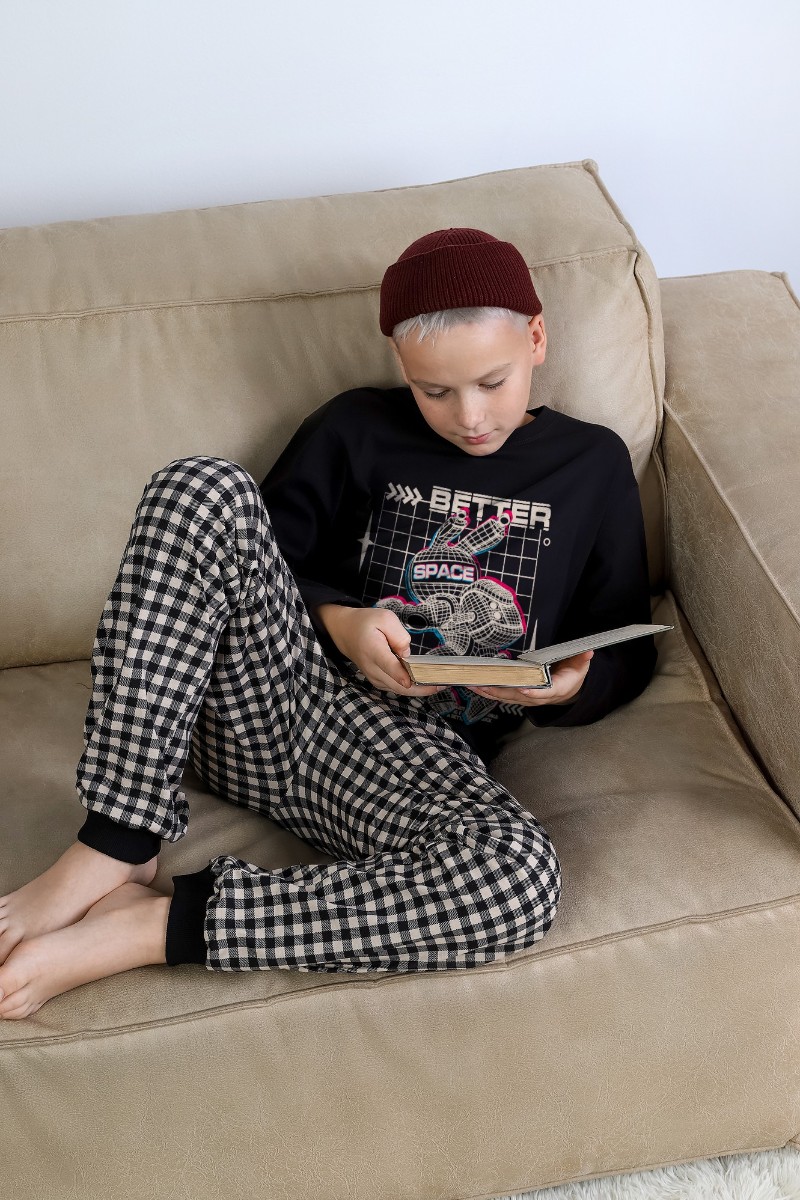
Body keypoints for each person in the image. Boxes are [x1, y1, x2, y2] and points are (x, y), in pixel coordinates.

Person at [0, 228, 656, 1019]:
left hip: (406, 761)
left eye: (493, 381)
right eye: (435, 392)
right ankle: (118, 841)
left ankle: (155, 927)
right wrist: (339, 620)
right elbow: (251, 561)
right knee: (201, 488)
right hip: (270, 698)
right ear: (401, 364)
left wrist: (570, 688)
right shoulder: (354, 428)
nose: (470, 416)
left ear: (537, 339)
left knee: (516, 880)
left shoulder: (591, 464)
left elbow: (623, 635)